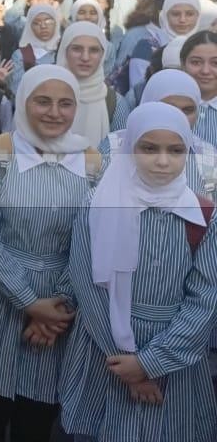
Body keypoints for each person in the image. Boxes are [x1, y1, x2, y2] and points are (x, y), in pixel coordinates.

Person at [0, 65, 100, 442]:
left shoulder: (92, 160)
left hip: (59, 295)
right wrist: (30, 301)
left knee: (37, 410)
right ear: (24, 102)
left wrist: (56, 307)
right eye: (42, 101)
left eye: (65, 103)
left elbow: (93, 237)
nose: (54, 112)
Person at [59, 102, 217, 442]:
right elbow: (89, 288)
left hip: (175, 358)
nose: (163, 161)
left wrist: (152, 363)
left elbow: (206, 298)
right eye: (149, 148)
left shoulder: (203, 215)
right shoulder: (96, 206)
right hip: (105, 352)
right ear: (130, 147)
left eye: (175, 150)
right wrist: (130, 365)